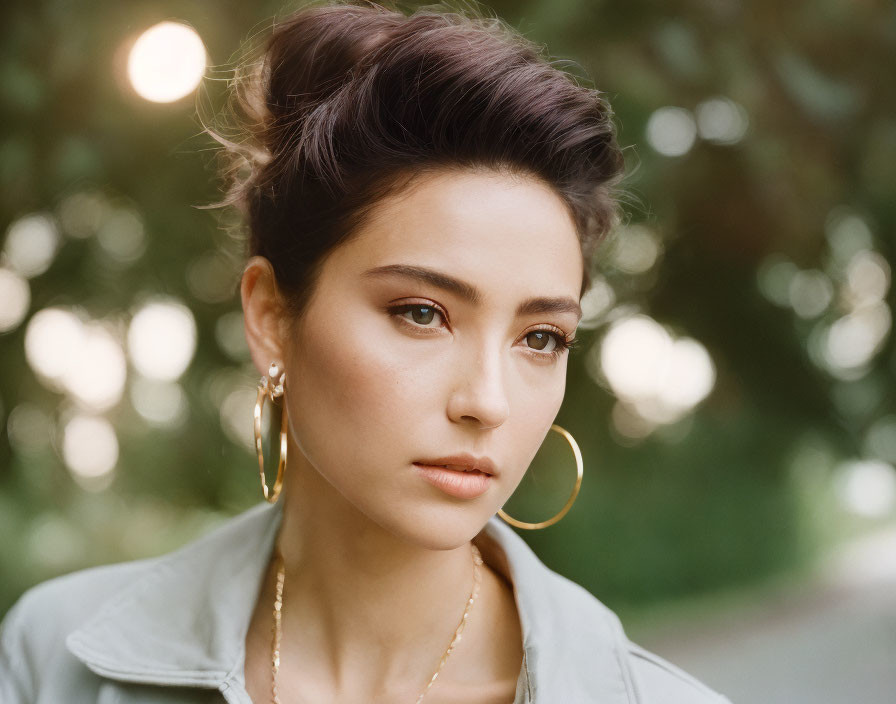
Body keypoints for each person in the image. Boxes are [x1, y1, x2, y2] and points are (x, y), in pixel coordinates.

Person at [0, 1, 734, 702]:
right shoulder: (53, 660)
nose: (487, 400)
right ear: (271, 317)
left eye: (540, 338)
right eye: (422, 313)